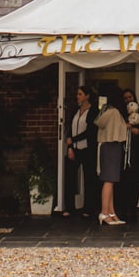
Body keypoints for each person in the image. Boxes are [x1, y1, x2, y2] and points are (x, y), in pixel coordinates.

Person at [94, 86, 128, 225]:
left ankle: (111, 211)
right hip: (110, 145)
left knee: (111, 180)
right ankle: (104, 212)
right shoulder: (113, 112)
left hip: (109, 145)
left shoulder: (108, 111)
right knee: (109, 180)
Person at [62, 86, 97, 217]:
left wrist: (73, 139)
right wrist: (70, 147)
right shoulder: (76, 111)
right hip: (75, 149)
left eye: (80, 94)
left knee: (89, 179)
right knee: (70, 178)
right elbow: (70, 128)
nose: (78, 96)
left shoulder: (93, 111)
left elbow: (90, 132)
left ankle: (88, 208)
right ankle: (69, 207)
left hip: (87, 149)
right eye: (77, 94)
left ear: (87, 96)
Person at [116, 87, 139, 224]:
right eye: (126, 98)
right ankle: (123, 209)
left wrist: (138, 131)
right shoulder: (121, 114)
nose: (128, 100)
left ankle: (133, 208)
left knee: (136, 181)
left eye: (130, 97)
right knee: (124, 181)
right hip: (124, 150)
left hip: (137, 151)